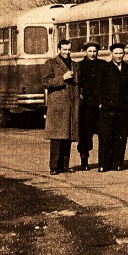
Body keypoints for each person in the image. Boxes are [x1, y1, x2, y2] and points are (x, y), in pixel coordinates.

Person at [97, 42, 128, 172]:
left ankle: (117, 163)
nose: (119, 56)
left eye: (121, 53)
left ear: (124, 54)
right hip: (108, 108)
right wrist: (102, 103)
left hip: (123, 108)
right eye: (116, 53)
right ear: (111, 54)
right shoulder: (104, 68)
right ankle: (103, 164)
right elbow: (99, 88)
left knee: (121, 136)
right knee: (106, 136)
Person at [42, 40, 79, 175]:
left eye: (69, 49)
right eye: (64, 49)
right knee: (57, 137)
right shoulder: (51, 63)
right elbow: (46, 82)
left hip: (71, 104)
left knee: (67, 136)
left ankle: (64, 165)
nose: (67, 52)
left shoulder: (75, 65)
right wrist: (62, 78)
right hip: (57, 106)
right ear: (59, 49)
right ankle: (53, 166)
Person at [76, 41, 104, 171]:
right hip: (86, 105)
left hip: (100, 104)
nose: (93, 54)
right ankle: (84, 159)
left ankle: (103, 161)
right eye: (90, 51)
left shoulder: (103, 65)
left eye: (95, 51)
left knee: (103, 133)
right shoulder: (79, 66)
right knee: (86, 133)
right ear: (85, 52)